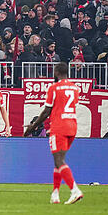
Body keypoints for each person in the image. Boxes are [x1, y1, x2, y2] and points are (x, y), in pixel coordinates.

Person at [24, 63, 83, 204]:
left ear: (56, 72)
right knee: (59, 162)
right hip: (72, 126)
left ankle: (75, 190)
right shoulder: (75, 88)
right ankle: (55, 194)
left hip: (59, 127)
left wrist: (32, 127)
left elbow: (46, 111)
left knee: (59, 160)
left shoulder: (54, 88)